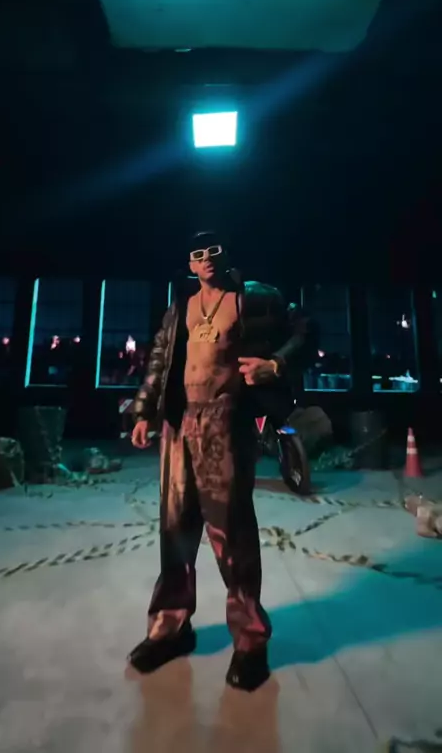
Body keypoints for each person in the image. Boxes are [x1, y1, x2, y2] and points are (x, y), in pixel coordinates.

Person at [128, 231, 310, 692]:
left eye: (213, 251)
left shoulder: (256, 297)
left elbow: (306, 330)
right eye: (197, 254)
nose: (206, 259)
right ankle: (170, 628)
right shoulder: (181, 306)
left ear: (226, 254)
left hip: (225, 421)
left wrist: (276, 364)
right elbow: (159, 360)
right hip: (178, 423)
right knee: (175, 528)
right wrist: (144, 411)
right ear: (190, 264)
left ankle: (250, 642)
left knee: (232, 533)